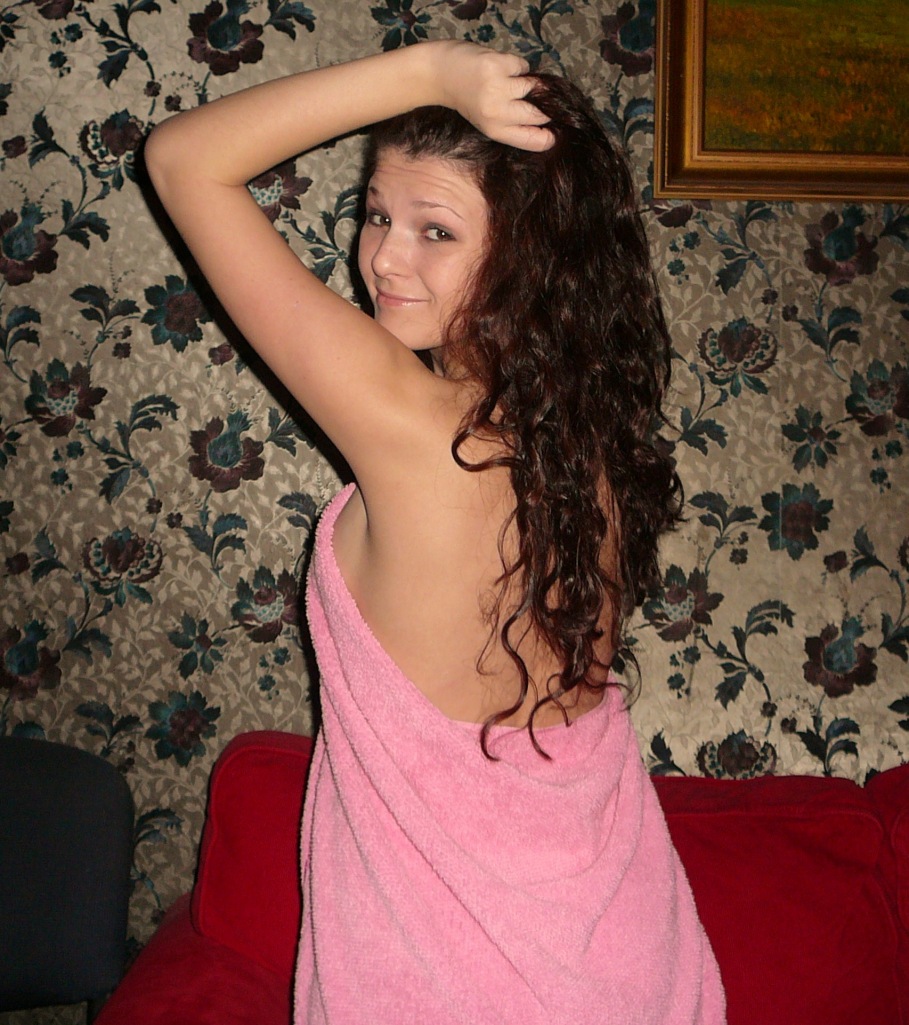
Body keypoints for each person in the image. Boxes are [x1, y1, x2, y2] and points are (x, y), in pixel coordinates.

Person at [146, 40, 725, 1025]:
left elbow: (182, 159)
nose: (383, 256)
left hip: (468, 986)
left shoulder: (416, 424)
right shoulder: (583, 451)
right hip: (629, 955)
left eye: (436, 229)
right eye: (376, 213)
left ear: (529, 256)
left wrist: (425, 72)